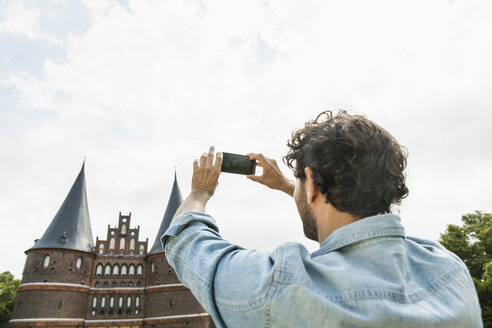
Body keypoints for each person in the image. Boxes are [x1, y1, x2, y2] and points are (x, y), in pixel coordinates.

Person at [162, 111, 482, 328]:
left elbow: (187, 241)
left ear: (313, 186)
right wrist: (293, 188)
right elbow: (357, 236)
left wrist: (200, 192)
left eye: (304, 184)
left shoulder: (282, 287)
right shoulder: (451, 271)